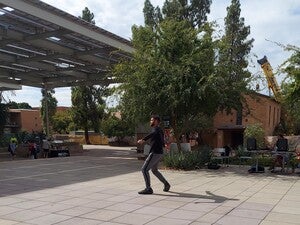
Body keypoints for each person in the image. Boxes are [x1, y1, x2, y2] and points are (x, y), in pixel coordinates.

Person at [137, 115, 170, 194]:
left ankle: (148, 189)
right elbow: (162, 140)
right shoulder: (159, 130)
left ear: (155, 121)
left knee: (144, 170)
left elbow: (152, 134)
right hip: (159, 153)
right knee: (154, 170)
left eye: (152, 120)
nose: (150, 121)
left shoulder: (156, 129)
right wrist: (164, 145)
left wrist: (143, 140)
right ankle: (166, 184)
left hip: (155, 153)